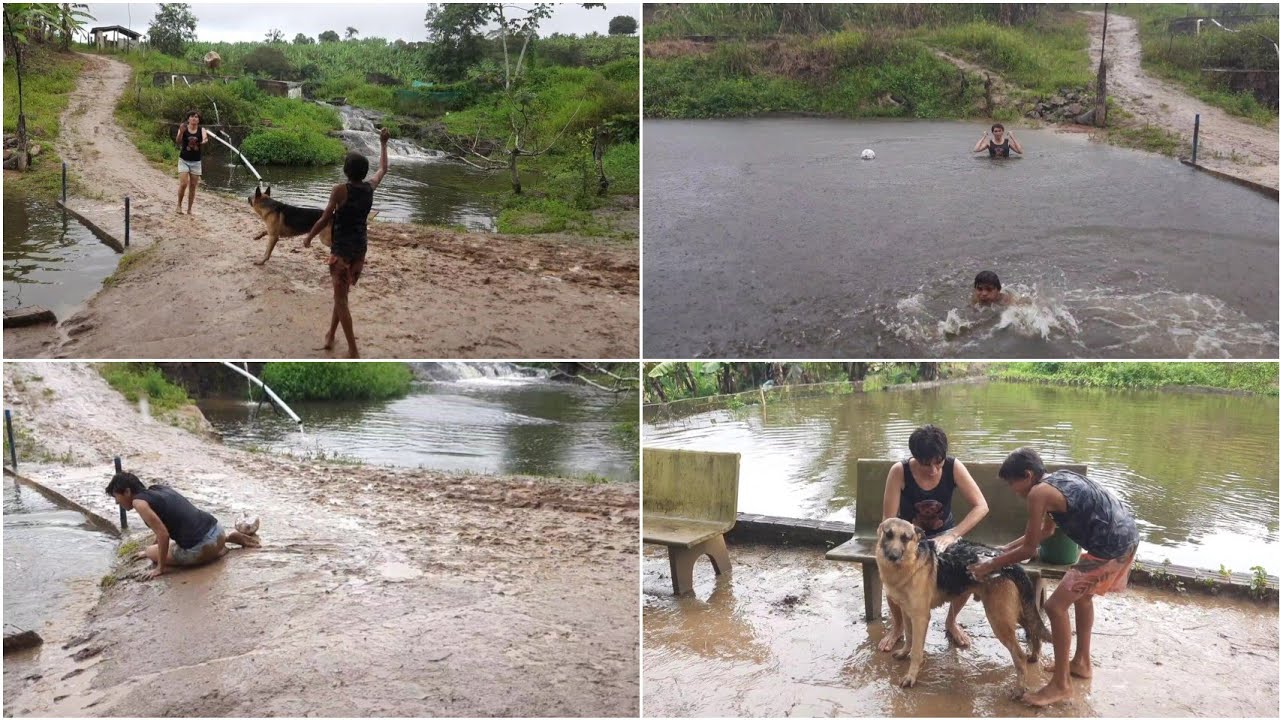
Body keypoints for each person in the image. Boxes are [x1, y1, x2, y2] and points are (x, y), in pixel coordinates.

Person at [968, 448, 1139, 708]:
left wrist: (990, 564)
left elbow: (1029, 550)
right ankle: (1081, 662)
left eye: (1013, 483)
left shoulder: (1038, 493)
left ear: (1027, 475)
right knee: (1082, 598)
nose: (1013, 490)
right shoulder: (1055, 481)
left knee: (1055, 606)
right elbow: (1046, 531)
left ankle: (1061, 685)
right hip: (1123, 538)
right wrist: (1006, 549)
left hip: (1110, 548)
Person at [878, 424, 990, 652]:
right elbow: (888, 519)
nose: (932, 470)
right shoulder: (899, 472)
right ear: (915, 458)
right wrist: (902, 544)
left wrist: (953, 534)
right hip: (908, 541)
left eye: (937, 463)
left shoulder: (953, 467)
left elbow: (981, 506)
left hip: (944, 536)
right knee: (892, 571)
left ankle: (951, 621)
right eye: (925, 464)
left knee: (966, 569)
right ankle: (898, 626)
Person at [302, 127, 391, 358]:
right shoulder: (370, 187)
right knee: (341, 296)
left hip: (341, 251)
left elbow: (325, 218)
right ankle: (330, 336)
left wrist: (310, 236)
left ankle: (353, 350)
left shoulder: (340, 190)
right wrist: (383, 143)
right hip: (360, 250)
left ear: (345, 171)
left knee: (341, 300)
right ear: (363, 172)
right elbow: (383, 168)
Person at [107, 472, 259, 579]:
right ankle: (225, 540)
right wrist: (156, 547)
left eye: (116, 496)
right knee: (159, 547)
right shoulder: (158, 489)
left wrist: (158, 566)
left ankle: (218, 551)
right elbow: (165, 524)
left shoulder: (138, 503)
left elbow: (163, 534)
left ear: (127, 492)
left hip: (202, 548)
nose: (116, 502)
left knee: (149, 552)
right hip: (217, 529)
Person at [175, 110, 210, 215]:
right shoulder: (183, 128)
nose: (194, 118)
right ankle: (179, 205)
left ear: (199, 120)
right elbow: (178, 141)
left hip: (196, 162)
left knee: (193, 186)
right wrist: (181, 132)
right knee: (184, 183)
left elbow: (205, 138)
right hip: (184, 160)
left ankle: (189, 209)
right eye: (192, 116)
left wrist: (204, 140)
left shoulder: (202, 129)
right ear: (188, 119)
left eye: (196, 117)